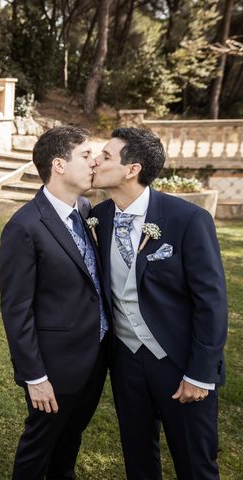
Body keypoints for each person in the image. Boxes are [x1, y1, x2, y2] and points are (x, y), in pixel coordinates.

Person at [91, 127, 228, 479]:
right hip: (126, 362)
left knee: (195, 464)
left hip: (180, 363)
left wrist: (199, 373)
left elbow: (211, 303)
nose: (96, 160)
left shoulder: (188, 220)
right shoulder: (99, 218)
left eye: (105, 156)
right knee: (138, 461)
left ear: (131, 169)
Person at [0, 125, 110, 479]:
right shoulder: (25, 227)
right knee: (39, 447)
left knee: (70, 439)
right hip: (56, 364)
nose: (95, 162)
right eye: (86, 155)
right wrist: (35, 376)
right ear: (59, 165)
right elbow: (16, 310)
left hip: (96, 355)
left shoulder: (85, 207)